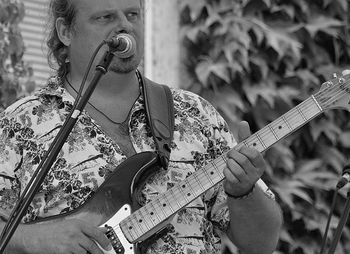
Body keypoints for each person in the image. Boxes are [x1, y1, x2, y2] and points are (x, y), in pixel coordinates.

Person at [0, 0, 283, 253]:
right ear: (66, 31)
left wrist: (243, 191)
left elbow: (262, 244)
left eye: (132, 14)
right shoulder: (21, 124)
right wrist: (30, 238)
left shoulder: (195, 114)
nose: (124, 25)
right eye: (105, 17)